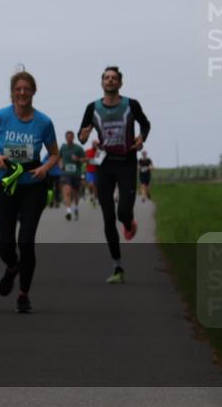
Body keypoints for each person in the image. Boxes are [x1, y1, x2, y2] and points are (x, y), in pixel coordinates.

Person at [0, 70, 59, 314]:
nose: (22, 93)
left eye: (27, 89)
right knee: (5, 244)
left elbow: (55, 153)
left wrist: (45, 168)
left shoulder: (43, 122)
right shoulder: (0, 117)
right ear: (12, 93)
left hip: (32, 185)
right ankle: (12, 267)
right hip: (4, 184)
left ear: (34, 92)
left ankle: (23, 294)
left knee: (26, 241)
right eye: (18, 89)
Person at [78, 66, 151, 285]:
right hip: (105, 165)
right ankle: (118, 266)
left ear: (120, 83)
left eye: (114, 78)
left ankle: (129, 223)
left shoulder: (131, 104)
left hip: (127, 163)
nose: (110, 81)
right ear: (102, 83)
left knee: (123, 213)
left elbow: (145, 124)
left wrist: (141, 138)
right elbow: (82, 136)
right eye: (106, 78)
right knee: (108, 216)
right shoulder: (92, 108)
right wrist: (84, 133)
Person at [59, 130, 86, 221]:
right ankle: (68, 211)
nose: (69, 138)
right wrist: (60, 164)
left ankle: (76, 208)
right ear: (66, 138)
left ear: (73, 138)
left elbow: (85, 159)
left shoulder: (78, 148)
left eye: (71, 137)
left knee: (75, 194)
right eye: (68, 137)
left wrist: (77, 159)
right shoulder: (63, 147)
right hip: (66, 174)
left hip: (76, 174)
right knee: (67, 192)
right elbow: (59, 158)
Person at [84, 140, 100, 206]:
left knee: (96, 186)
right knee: (91, 184)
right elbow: (84, 159)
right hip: (89, 171)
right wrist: (86, 160)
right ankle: (91, 195)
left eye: (96, 144)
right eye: (93, 144)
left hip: (98, 171)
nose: (94, 145)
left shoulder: (99, 152)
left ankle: (95, 197)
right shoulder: (87, 151)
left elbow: (100, 161)